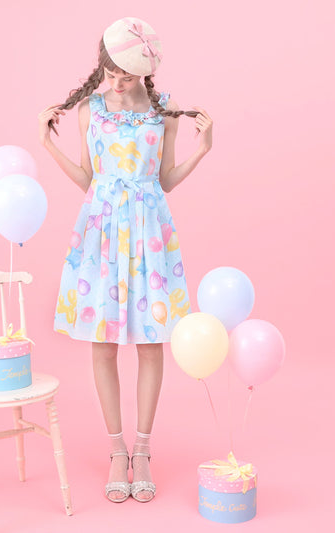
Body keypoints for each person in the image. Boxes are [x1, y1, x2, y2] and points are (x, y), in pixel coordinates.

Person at [38, 17, 213, 503]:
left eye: (127, 75)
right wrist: (47, 144)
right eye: (111, 72)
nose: (116, 82)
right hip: (101, 232)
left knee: (151, 342)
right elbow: (88, 178)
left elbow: (164, 180)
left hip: (149, 232)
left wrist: (203, 149)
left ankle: (143, 449)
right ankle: (117, 450)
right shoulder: (90, 111)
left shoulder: (164, 113)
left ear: (145, 73)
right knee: (103, 342)